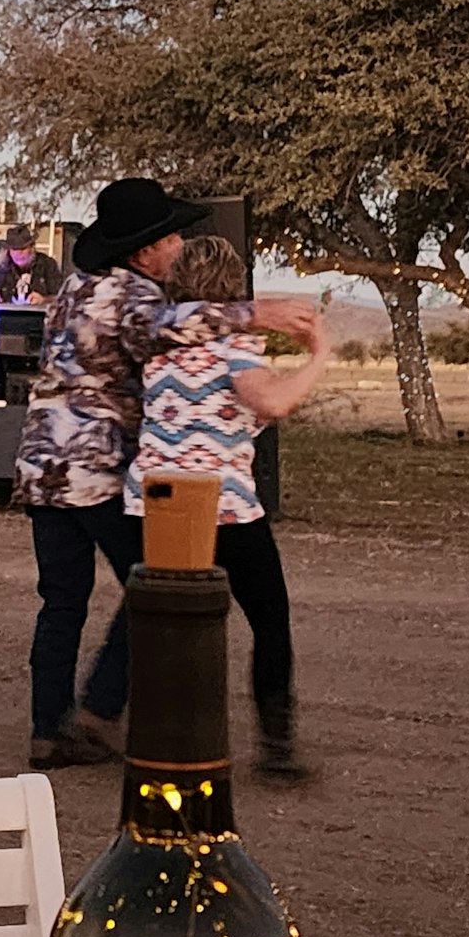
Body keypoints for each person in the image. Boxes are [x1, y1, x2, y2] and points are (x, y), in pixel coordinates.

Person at [15, 177, 318, 770]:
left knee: (61, 601)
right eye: (171, 237)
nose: (179, 246)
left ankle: (48, 730)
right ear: (143, 251)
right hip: (98, 470)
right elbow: (170, 329)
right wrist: (258, 314)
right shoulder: (134, 295)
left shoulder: (75, 286)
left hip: (41, 463)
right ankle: (99, 711)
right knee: (154, 589)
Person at [125, 236, 331, 780]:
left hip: (153, 503)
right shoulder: (234, 348)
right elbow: (273, 402)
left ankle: (158, 738)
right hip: (221, 507)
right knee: (269, 619)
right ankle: (276, 744)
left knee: (164, 622)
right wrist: (318, 357)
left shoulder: (158, 348)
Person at [0, 224, 63, 305]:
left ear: (32, 248)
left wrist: (43, 300)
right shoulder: (2, 267)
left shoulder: (47, 264)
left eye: (22, 249)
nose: (18, 254)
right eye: (14, 249)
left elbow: (62, 298)